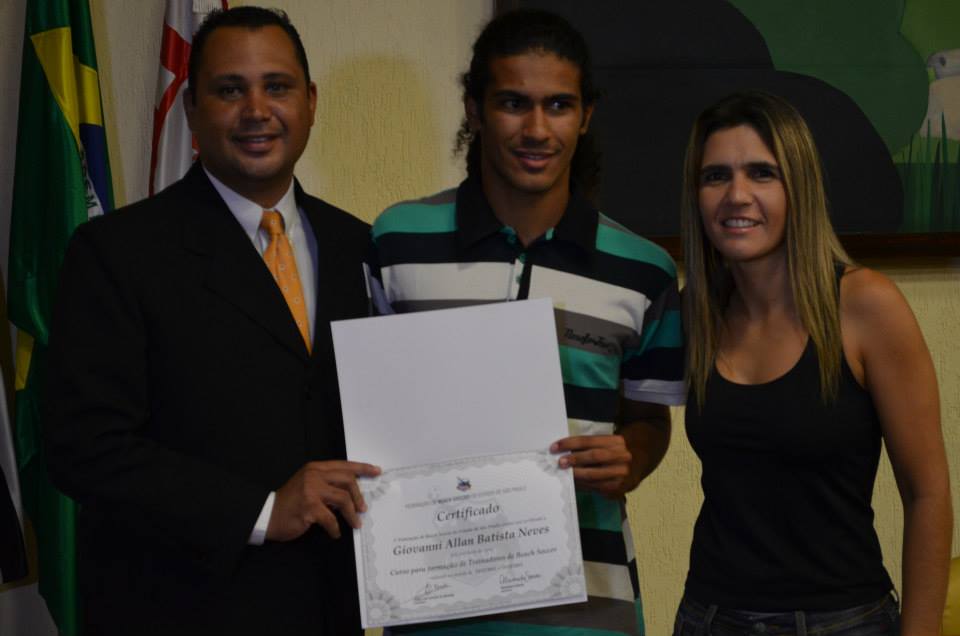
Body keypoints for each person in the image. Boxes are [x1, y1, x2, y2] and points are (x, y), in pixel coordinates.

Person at [43, 7, 379, 635]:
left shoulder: (361, 246)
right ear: (192, 109)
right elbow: (81, 447)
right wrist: (262, 510)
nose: (257, 110)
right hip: (180, 611)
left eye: (277, 87)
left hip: (332, 610)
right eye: (230, 90)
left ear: (310, 102)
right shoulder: (118, 252)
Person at [365, 9, 685, 635]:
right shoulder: (396, 241)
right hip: (436, 608)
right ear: (474, 109)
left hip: (590, 611)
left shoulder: (643, 270)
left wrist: (631, 459)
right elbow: (374, 414)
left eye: (558, 106)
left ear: (585, 116)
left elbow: (649, 421)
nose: (537, 129)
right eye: (513, 103)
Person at [676, 90, 952, 635]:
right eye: (715, 176)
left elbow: (928, 495)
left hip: (844, 621)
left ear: (798, 186)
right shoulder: (695, 313)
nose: (736, 195)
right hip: (709, 618)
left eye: (762, 173)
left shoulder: (866, 305)